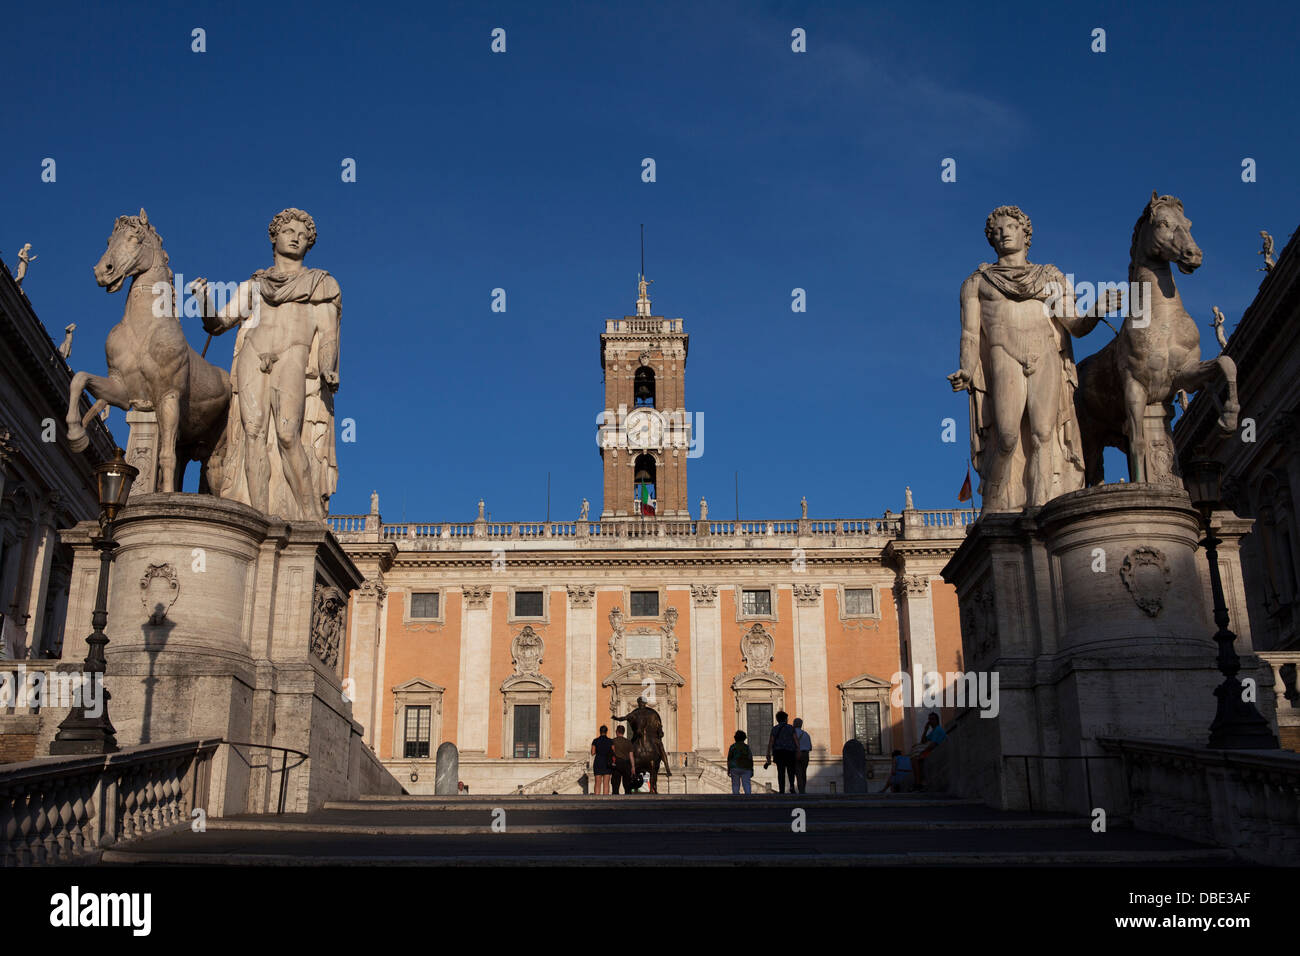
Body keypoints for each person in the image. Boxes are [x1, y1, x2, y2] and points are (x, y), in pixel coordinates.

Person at [765, 710, 799, 794]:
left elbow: (771, 742)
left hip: (779, 752)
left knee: (780, 771)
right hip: (790, 752)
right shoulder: (791, 728)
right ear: (785, 719)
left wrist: (768, 753)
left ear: (777, 719)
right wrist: (798, 750)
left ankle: (781, 790)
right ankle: (791, 786)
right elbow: (796, 740)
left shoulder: (775, 729)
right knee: (791, 770)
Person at [913, 712, 948, 790]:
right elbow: (923, 741)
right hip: (933, 751)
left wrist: (922, 753)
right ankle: (918, 783)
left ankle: (918, 784)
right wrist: (925, 729)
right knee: (914, 759)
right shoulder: (933, 731)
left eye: (932, 719)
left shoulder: (938, 729)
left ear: (936, 720)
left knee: (916, 760)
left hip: (938, 751)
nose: (930, 721)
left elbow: (933, 745)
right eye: (929, 719)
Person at [609, 725, 636, 795]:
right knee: (627, 785)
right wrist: (633, 767)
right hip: (626, 763)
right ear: (623, 732)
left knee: (615, 785)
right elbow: (631, 755)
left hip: (616, 763)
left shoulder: (613, 741)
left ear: (617, 732)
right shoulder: (628, 742)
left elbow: (612, 753)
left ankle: (615, 800)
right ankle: (628, 801)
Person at [727, 730, 754, 794]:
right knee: (747, 784)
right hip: (746, 767)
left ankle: (736, 799)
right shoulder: (746, 747)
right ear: (744, 738)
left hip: (734, 767)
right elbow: (750, 758)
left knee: (735, 785)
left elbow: (729, 758)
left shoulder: (732, 747)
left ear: (735, 738)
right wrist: (752, 769)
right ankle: (748, 798)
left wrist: (729, 769)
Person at [590, 725, 614, 795]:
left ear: (600, 731)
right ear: (606, 732)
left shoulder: (595, 741)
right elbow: (613, 751)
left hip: (598, 762)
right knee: (606, 783)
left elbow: (593, 752)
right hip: (607, 762)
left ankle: (597, 799)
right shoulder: (610, 741)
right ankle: (605, 801)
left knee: (597, 783)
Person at [791, 717, 812, 794]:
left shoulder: (792, 733)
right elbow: (810, 747)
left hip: (796, 754)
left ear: (794, 724)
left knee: (798, 773)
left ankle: (801, 790)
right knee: (803, 772)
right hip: (805, 754)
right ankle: (803, 789)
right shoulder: (806, 734)